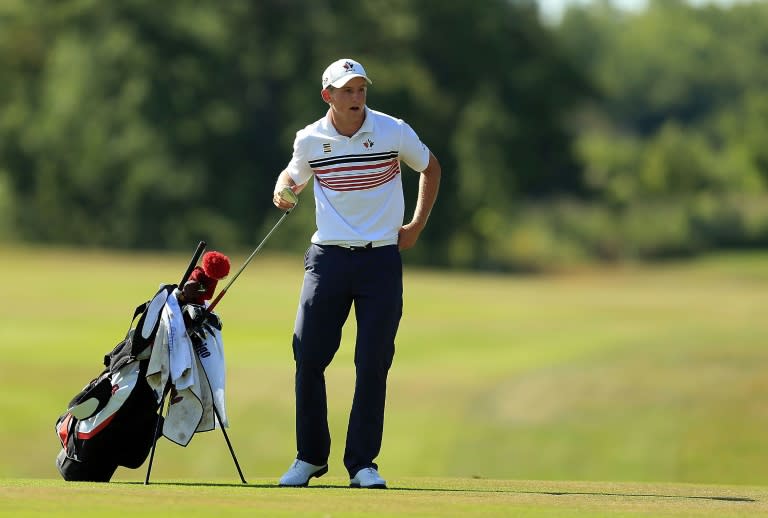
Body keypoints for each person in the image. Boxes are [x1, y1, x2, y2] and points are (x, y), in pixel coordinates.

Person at [272, 58, 441, 489]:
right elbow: (293, 176)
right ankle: (309, 457)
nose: (356, 98)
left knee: (372, 363)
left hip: (380, 261)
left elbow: (430, 167)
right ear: (328, 95)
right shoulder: (310, 139)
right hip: (326, 259)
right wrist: (283, 190)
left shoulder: (391, 131)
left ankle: (362, 463)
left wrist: (416, 226)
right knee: (307, 356)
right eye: (347, 91)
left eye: (361, 90)